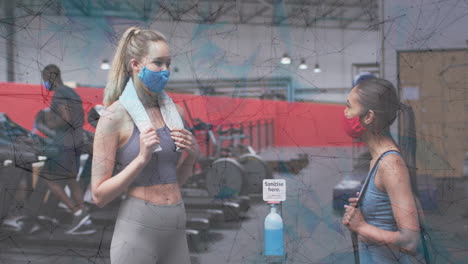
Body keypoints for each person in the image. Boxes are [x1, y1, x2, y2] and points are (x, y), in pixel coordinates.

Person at [91, 27, 200, 264]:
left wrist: (191, 157)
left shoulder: (175, 113)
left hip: (175, 226)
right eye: (158, 63)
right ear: (136, 65)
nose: (166, 71)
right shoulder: (113, 117)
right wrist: (141, 159)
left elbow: (173, 181)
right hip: (138, 230)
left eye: (168, 64)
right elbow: (99, 196)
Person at [341, 78, 425, 263]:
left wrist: (361, 227)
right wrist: (365, 206)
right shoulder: (378, 160)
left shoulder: (390, 164)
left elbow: (410, 240)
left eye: (349, 107)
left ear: (368, 117)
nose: (345, 113)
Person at [39, 64, 95, 235]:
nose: (45, 83)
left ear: (49, 77)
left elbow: (66, 118)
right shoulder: (73, 93)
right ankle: (85, 216)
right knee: (71, 180)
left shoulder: (60, 93)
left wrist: (49, 123)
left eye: (44, 80)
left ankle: (76, 212)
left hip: (63, 145)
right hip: (76, 143)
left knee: (50, 180)